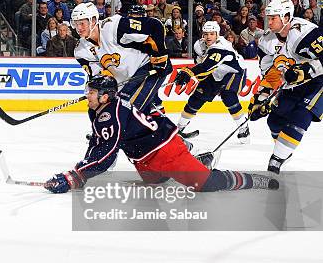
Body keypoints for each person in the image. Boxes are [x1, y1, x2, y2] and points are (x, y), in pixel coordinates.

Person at [44, 76, 278, 193]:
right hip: (143, 155)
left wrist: (75, 176)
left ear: (105, 96)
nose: (88, 95)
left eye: (92, 92)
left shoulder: (110, 114)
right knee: (155, 181)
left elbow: (106, 155)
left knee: (203, 185)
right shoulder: (98, 110)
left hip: (165, 150)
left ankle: (250, 179)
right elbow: (98, 143)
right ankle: (197, 161)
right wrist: (81, 168)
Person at [250, 0, 323, 173]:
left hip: (318, 82)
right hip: (293, 85)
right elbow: (270, 72)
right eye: (268, 17)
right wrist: (261, 97)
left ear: (286, 17)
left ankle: (275, 162)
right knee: (274, 120)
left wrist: (305, 71)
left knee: (300, 116)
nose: (269, 22)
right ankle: (283, 151)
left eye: (273, 17)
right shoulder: (266, 41)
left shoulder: (305, 33)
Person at [72, 2, 171, 115]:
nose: (78, 28)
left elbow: (155, 26)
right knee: (96, 108)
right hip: (126, 81)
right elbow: (96, 76)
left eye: (82, 23)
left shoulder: (113, 26)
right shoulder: (81, 50)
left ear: (93, 20)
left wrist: (160, 57)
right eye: (76, 24)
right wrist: (95, 90)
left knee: (128, 110)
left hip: (148, 68)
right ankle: (102, 132)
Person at [174, 21, 249, 142]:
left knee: (228, 95)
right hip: (215, 73)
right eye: (206, 34)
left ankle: (243, 128)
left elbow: (207, 66)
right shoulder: (199, 45)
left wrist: (189, 72)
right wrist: (194, 74)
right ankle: (179, 128)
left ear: (217, 34)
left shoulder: (221, 47)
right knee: (196, 98)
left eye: (212, 34)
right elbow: (201, 65)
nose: (208, 37)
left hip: (235, 72)